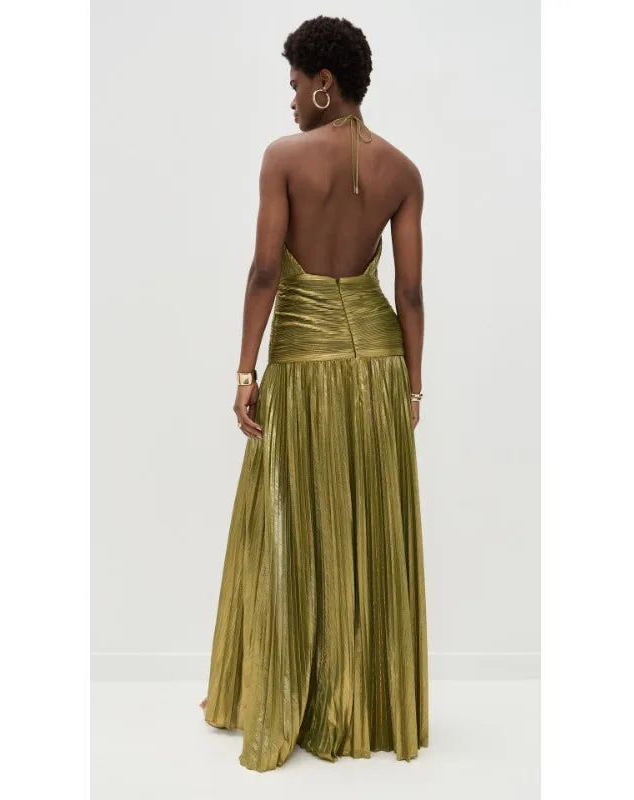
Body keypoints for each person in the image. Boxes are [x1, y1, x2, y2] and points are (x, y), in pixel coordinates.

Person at [200, 15, 428, 772]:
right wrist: (414, 383)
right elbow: (410, 291)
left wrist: (245, 372)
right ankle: (362, 702)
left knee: (293, 521)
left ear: (325, 84)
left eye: (296, 85)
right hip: (378, 365)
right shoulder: (402, 171)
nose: (292, 99)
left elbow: (266, 271)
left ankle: (289, 690)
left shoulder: (284, 158)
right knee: (363, 521)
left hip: (301, 364)